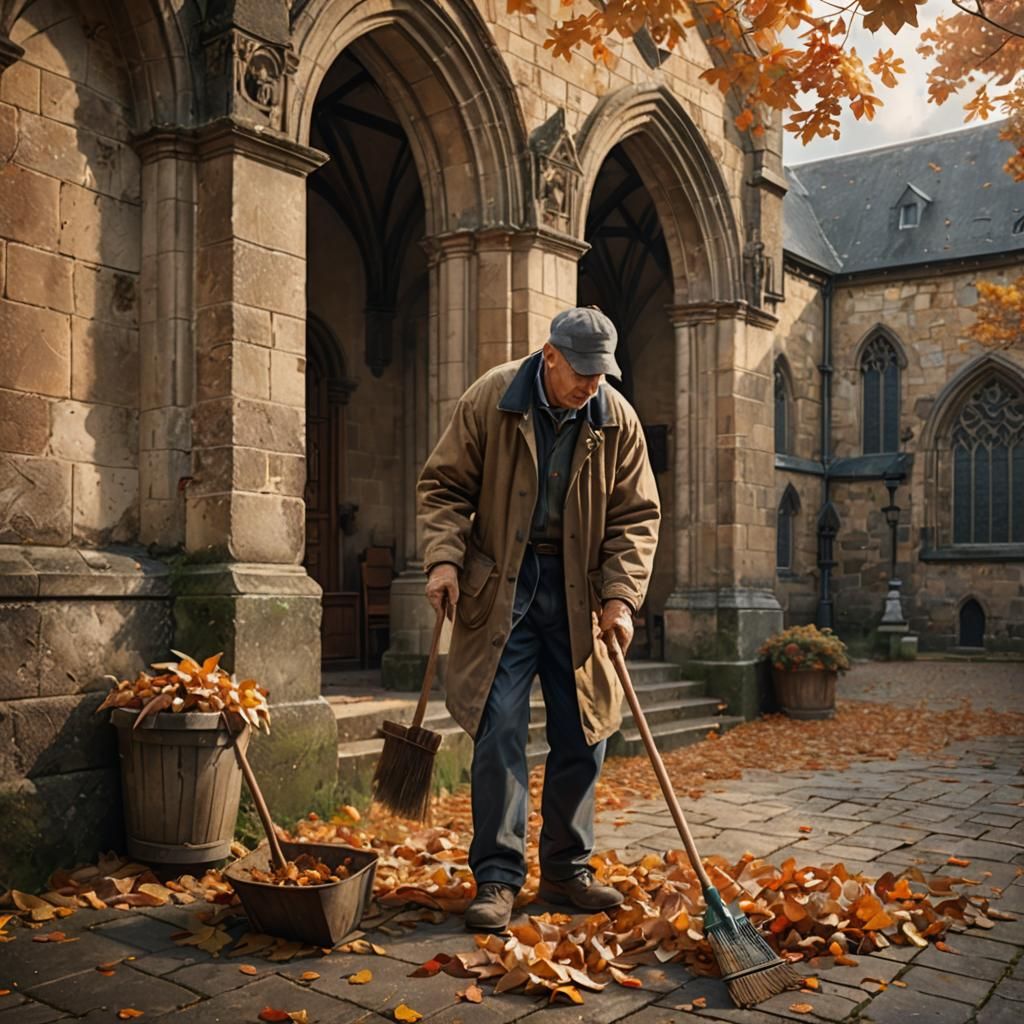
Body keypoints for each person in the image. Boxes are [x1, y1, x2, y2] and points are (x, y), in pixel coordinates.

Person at [417, 306, 660, 932]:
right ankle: (498, 877)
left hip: (580, 593)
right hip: (503, 585)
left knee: (585, 730)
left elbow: (636, 518)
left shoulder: (617, 419)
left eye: (601, 373)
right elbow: (444, 487)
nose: (591, 384)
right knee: (498, 727)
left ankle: (565, 870)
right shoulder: (491, 398)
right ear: (549, 355)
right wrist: (443, 560)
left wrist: (621, 598)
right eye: (581, 371)